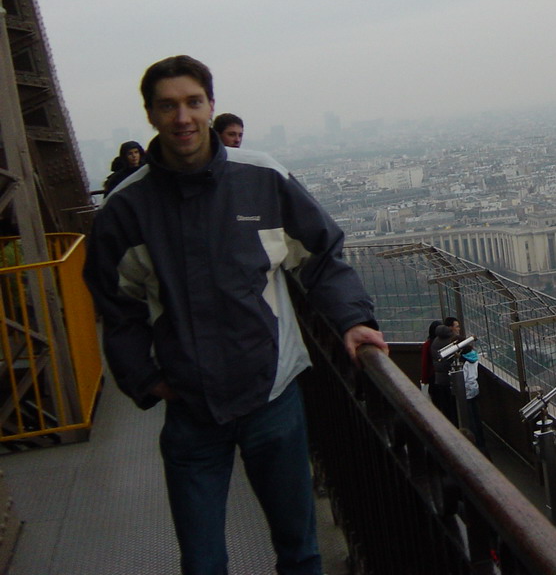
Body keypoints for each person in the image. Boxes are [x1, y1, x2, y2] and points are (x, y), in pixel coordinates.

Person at [83, 54, 387, 575]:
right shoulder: (127, 209)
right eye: (168, 105)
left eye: (192, 102)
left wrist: (353, 321)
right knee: (206, 563)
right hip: (192, 407)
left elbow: (319, 257)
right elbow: (117, 303)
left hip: (270, 398)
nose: (182, 117)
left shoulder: (263, 179)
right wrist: (147, 379)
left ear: (210, 107)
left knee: (297, 550)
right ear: (151, 115)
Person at [460, 345, 488, 456]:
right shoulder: (474, 358)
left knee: (470, 417)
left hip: (466, 392)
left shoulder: (464, 362)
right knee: (476, 416)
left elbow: (463, 378)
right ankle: (481, 441)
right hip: (475, 389)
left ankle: (475, 440)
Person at [430, 323, 459, 424]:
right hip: (451, 379)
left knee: (446, 406)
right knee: (454, 407)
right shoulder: (451, 342)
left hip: (439, 379)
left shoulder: (435, 342)